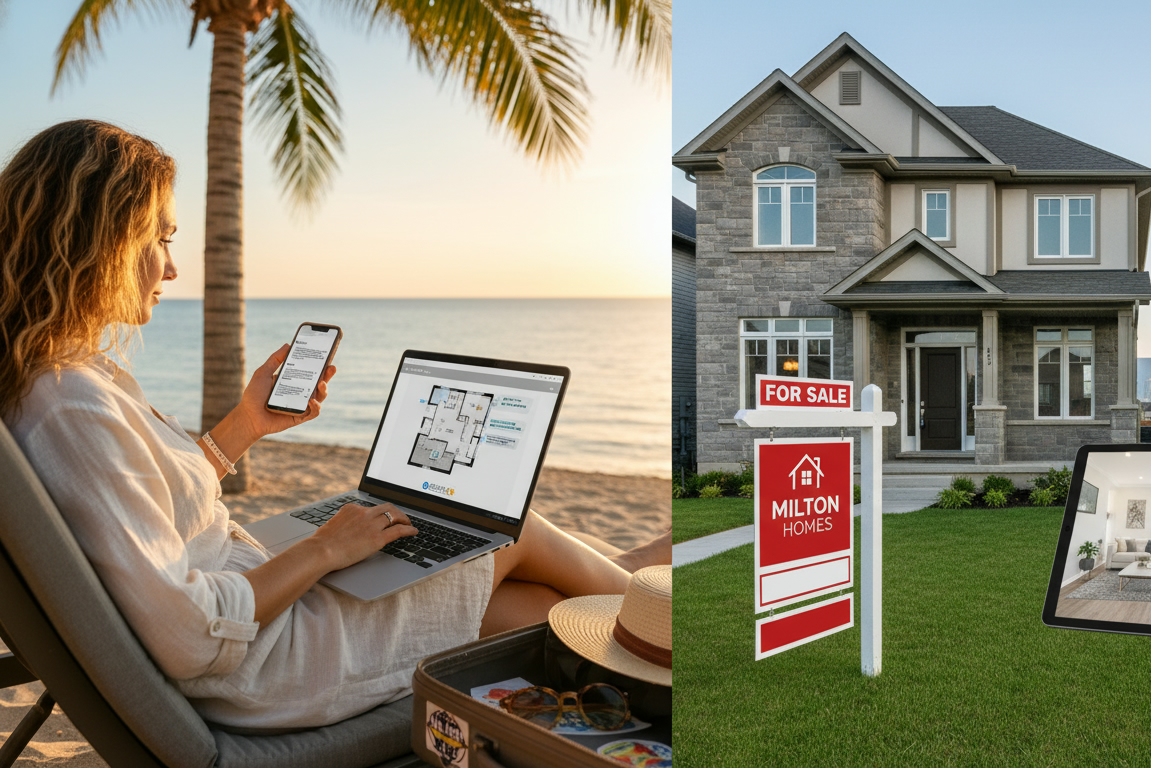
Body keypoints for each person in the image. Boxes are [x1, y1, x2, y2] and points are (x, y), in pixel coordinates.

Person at [0, 120, 670, 730]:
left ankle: (638, 581)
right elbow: (189, 637)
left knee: (522, 611)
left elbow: (150, 503)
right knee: (506, 530)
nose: (172, 267)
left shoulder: (62, 380)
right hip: (269, 663)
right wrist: (325, 550)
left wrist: (244, 424)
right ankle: (653, 595)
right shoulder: (69, 406)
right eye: (160, 240)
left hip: (259, 613)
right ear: (98, 238)